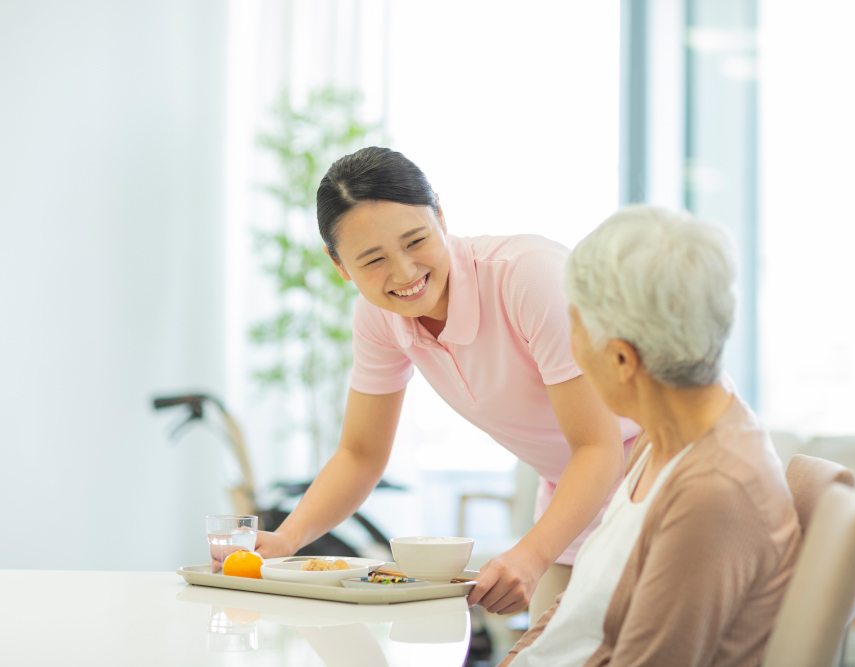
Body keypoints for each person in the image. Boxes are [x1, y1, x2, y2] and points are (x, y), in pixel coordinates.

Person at [254, 146, 640, 618]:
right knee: (547, 648)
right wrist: (286, 539)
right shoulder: (378, 316)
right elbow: (360, 454)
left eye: (416, 240)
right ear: (339, 265)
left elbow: (599, 446)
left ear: (440, 213)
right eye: (372, 260)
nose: (404, 273)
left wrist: (531, 555)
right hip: (574, 496)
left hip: (659, 474)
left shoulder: (530, 277)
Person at [501, 206, 802, 666]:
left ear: (622, 360)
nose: (569, 352)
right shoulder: (660, 440)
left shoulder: (713, 491)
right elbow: (579, 605)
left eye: (573, 330)